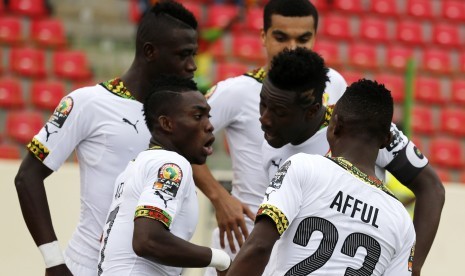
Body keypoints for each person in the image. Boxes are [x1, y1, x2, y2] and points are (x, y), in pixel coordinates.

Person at [14, 1, 198, 275]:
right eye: (183, 55)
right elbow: (27, 177)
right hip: (88, 267)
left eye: (193, 54)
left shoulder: (180, 116)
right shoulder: (88, 103)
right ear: (150, 52)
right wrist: (53, 261)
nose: (192, 65)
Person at [192, 1, 347, 272]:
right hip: (244, 237)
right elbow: (177, 142)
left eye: (303, 38)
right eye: (280, 37)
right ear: (263, 36)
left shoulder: (334, 83)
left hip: (303, 244)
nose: (292, 47)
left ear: (315, 37)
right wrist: (220, 197)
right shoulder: (236, 92)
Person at [259, 48, 444, 275]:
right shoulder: (267, 140)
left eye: (279, 111)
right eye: (262, 105)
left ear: (314, 112)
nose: (264, 120)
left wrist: (412, 267)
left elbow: (432, 187)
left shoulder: (363, 129)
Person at [227, 79, 416, 276]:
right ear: (386, 139)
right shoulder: (402, 221)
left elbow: (259, 247)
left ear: (334, 125)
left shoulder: (303, 167)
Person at [97, 75, 231, 275]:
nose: (209, 126)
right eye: (197, 116)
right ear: (167, 124)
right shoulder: (171, 165)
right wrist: (220, 259)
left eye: (208, 117)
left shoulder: (136, 166)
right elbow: (147, 240)